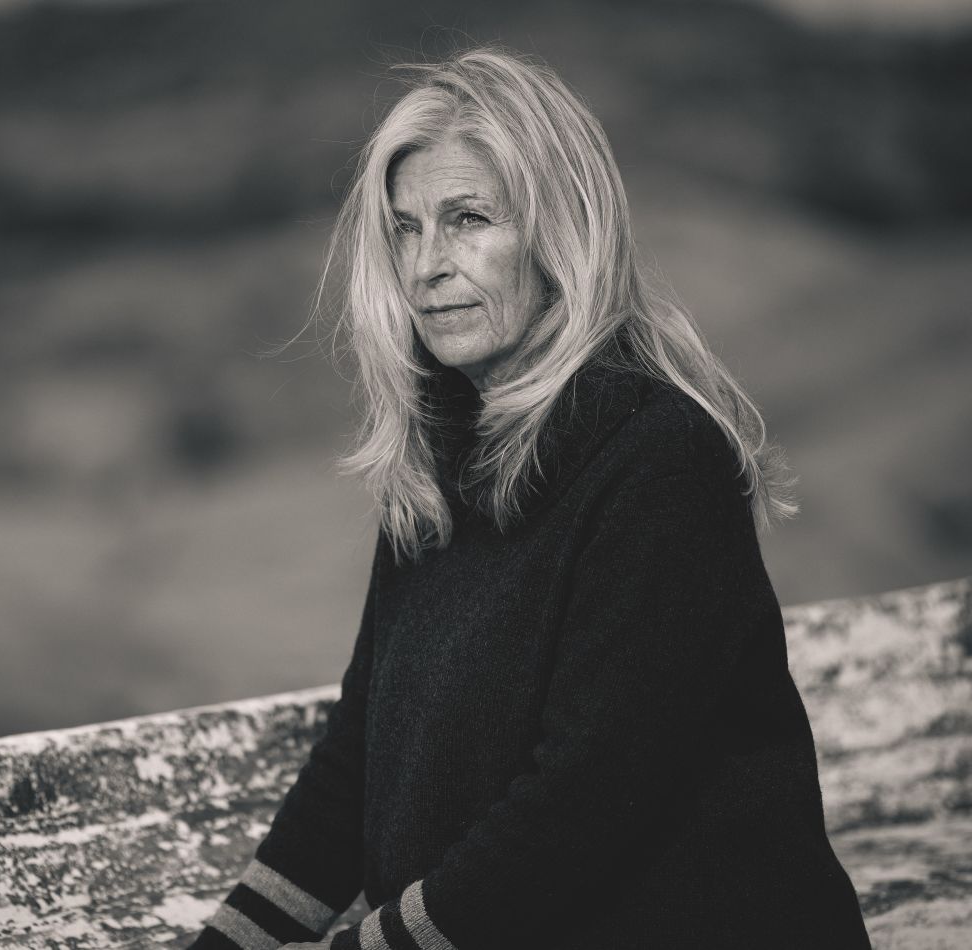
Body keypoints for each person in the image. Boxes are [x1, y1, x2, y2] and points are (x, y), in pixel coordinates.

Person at [187, 47, 872, 950]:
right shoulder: (441, 461)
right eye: (404, 229)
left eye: (468, 219)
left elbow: (583, 804)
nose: (425, 266)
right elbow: (359, 754)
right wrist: (228, 944)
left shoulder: (660, 459)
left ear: (562, 234)